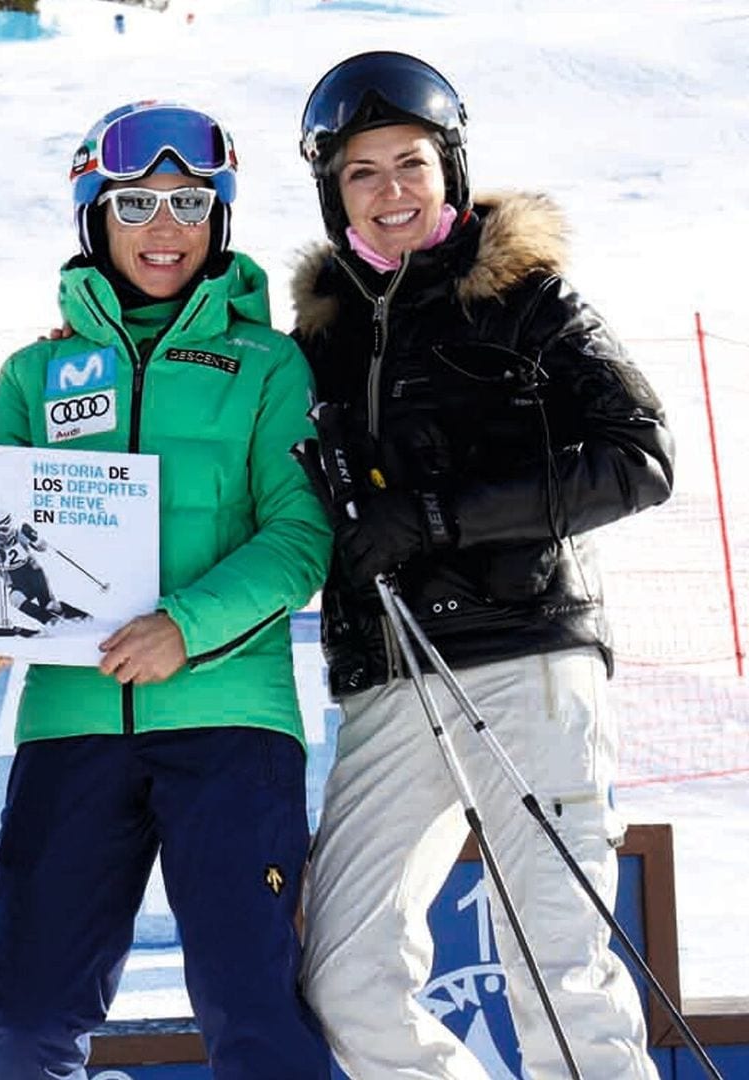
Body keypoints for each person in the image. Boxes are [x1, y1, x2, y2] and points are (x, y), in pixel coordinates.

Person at [290, 51, 674, 1079]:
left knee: (557, 970)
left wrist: (434, 518)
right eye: (362, 173)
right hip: (389, 674)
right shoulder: (318, 338)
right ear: (333, 192)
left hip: (526, 655)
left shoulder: (525, 297)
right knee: (343, 974)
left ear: (449, 168)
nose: (391, 192)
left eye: (410, 163)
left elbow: (639, 459)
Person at [0, 101, 334, 1079]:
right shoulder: (36, 372)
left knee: (255, 1012)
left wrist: (183, 626)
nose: (166, 228)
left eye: (190, 202)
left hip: (229, 719)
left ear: (220, 216)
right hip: (72, 724)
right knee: (23, 1016)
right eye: (137, 203)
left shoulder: (268, 364)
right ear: (95, 214)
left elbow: (300, 538)